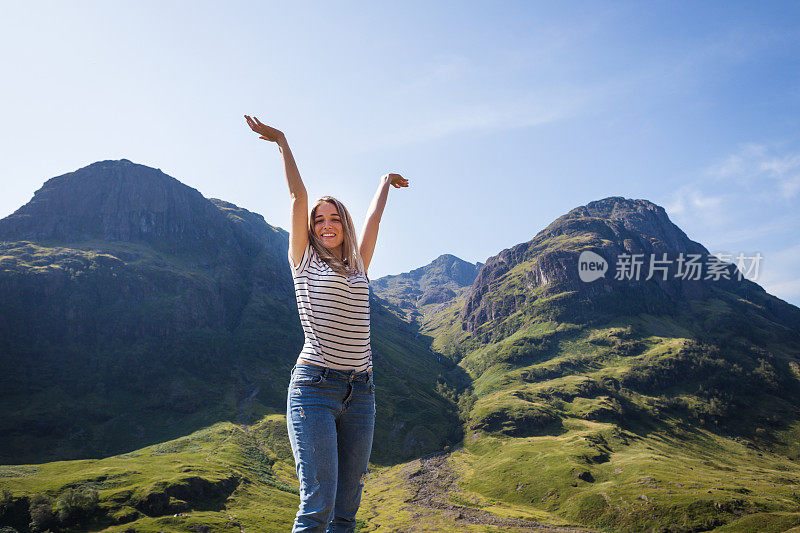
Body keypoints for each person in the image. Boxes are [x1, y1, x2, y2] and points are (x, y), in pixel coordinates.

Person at [245, 115, 409, 532]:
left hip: (362, 393)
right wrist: (281, 141)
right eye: (319, 220)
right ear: (311, 228)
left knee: (346, 511)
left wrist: (383, 182)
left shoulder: (358, 266)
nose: (326, 224)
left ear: (343, 224)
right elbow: (299, 195)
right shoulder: (303, 261)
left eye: (334, 217)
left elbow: (372, 222)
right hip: (315, 388)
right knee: (317, 504)